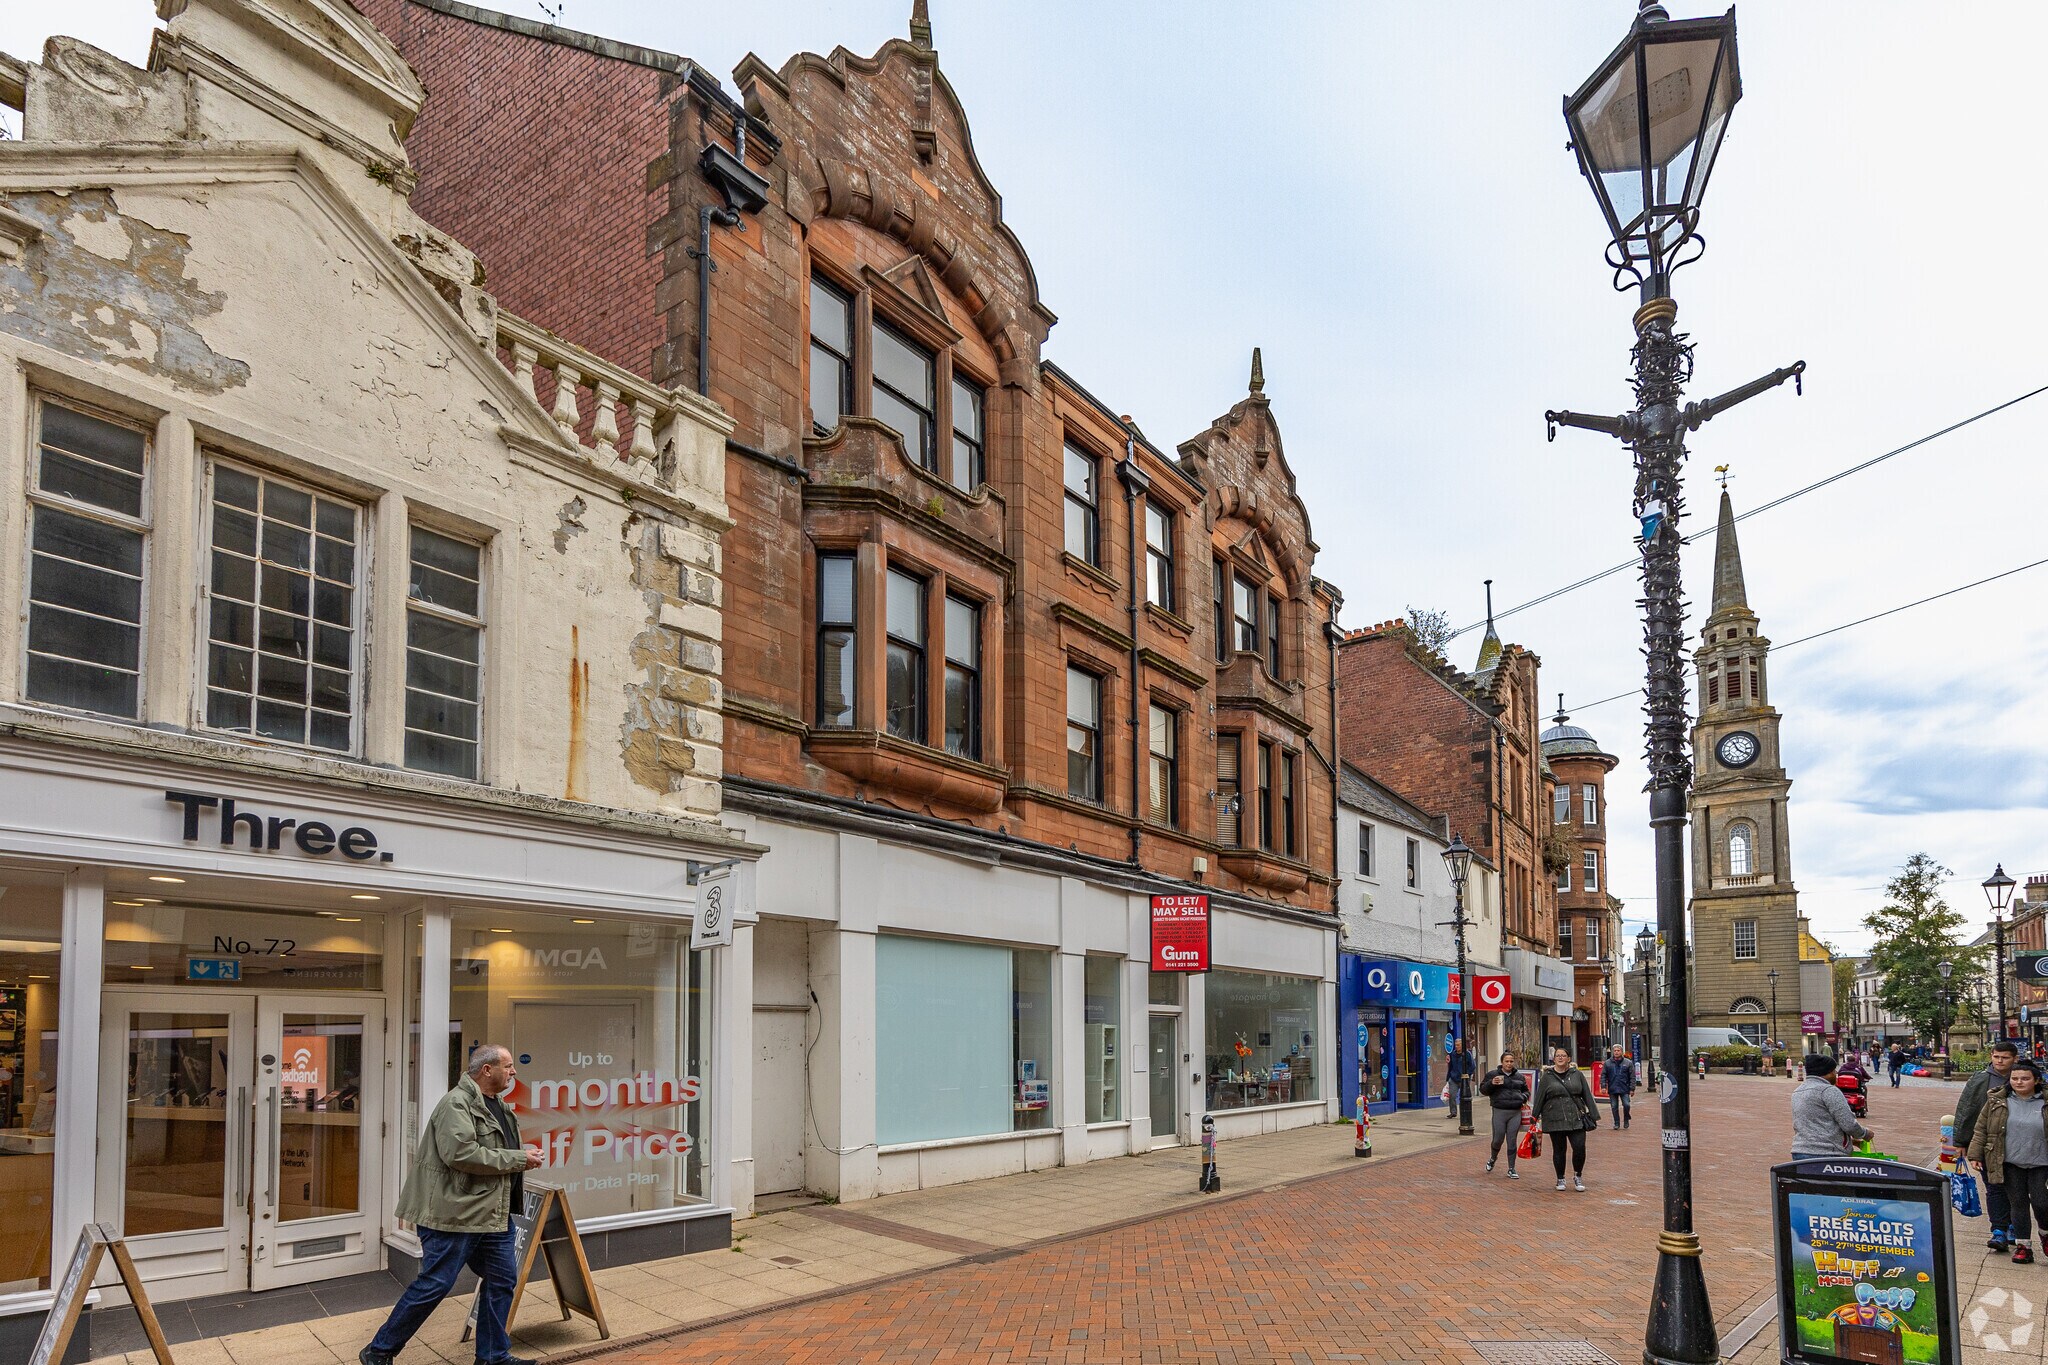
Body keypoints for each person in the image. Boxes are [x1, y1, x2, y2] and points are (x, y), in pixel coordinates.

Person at [360, 1044, 545, 1365]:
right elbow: (460, 1154)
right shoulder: (456, 1104)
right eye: (508, 1065)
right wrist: (519, 1159)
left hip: (492, 1213)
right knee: (436, 1283)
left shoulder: (496, 1104)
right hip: (454, 1214)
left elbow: (493, 1151)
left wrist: (521, 1156)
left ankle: (492, 1357)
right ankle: (378, 1351)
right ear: (487, 1070)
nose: (514, 1072)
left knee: (502, 1281)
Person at [1968, 1057, 2048, 1264]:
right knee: (2018, 1203)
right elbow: (1981, 1129)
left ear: (2036, 1080)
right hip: (2010, 1161)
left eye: (2025, 1078)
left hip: (2041, 1161)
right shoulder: (1997, 1101)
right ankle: (2023, 1246)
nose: (2019, 1082)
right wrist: (1976, 1154)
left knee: (2042, 1202)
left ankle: (2045, 1234)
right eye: (2015, 1078)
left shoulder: (2045, 1102)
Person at [1958, 1041, 2022, 1250]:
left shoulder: (2024, 1078)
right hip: (1989, 1144)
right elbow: (1967, 1109)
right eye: (1996, 1057)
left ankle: (2014, 1224)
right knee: (1994, 1188)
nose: (2000, 1061)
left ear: (2015, 1059)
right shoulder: (1980, 1079)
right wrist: (1961, 1141)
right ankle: (1999, 1230)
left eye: (2004, 1057)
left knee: (2016, 1188)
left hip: (2017, 1144)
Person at [1534, 1048, 1599, 1192]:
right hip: (1554, 1117)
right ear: (1554, 1058)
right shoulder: (1547, 1076)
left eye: (1563, 1056)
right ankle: (1560, 1178)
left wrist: (1594, 1114)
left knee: (1579, 1147)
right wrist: (1534, 1117)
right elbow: (1539, 1098)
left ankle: (1578, 1175)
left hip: (1576, 1116)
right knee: (1559, 1149)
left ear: (1569, 1058)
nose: (1560, 1058)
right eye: (1558, 1056)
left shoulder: (1577, 1074)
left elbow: (1587, 1094)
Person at [1791, 1053, 1872, 1159]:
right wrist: (1864, 1133)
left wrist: (1850, 1141)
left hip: (1800, 1151)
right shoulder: (1828, 1090)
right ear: (1826, 1073)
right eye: (1834, 1071)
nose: (1836, 1074)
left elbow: (1814, 1127)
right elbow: (1848, 1123)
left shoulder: (1798, 1091)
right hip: (1828, 1154)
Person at [1478, 1049, 1529, 1178]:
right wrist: (1491, 1083)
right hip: (1499, 1111)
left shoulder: (1519, 1077)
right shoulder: (1493, 1074)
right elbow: (1483, 1090)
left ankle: (1511, 1168)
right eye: (1507, 1061)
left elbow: (1526, 1091)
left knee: (1512, 1140)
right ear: (1502, 1062)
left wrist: (1522, 1097)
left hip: (1515, 1112)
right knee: (1497, 1139)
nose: (1509, 1064)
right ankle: (1492, 1159)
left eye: (1511, 1061)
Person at [1600, 1045, 1638, 1130]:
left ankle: (1626, 1119)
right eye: (1615, 1051)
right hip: (1613, 1088)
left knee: (1626, 1105)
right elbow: (1603, 1075)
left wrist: (1632, 1089)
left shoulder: (1628, 1063)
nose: (1616, 1052)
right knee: (1614, 1106)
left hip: (1624, 1088)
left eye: (1618, 1050)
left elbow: (1632, 1076)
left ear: (1622, 1052)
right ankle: (1616, 1122)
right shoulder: (1608, 1063)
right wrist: (1603, 1086)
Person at [1446, 1040, 1478, 1122]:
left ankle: (1464, 1112)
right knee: (1452, 1096)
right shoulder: (1453, 1054)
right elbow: (1451, 1066)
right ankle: (1453, 1112)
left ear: (1462, 1045)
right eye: (1456, 1045)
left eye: (1458, 1045)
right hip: (1453, 1078)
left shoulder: (1467, 1054)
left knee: (1464, 1096)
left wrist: (1467, 1074)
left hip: (1464, 1078)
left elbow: (1473, 1066)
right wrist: (1448, 1077)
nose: (1457, 1047)